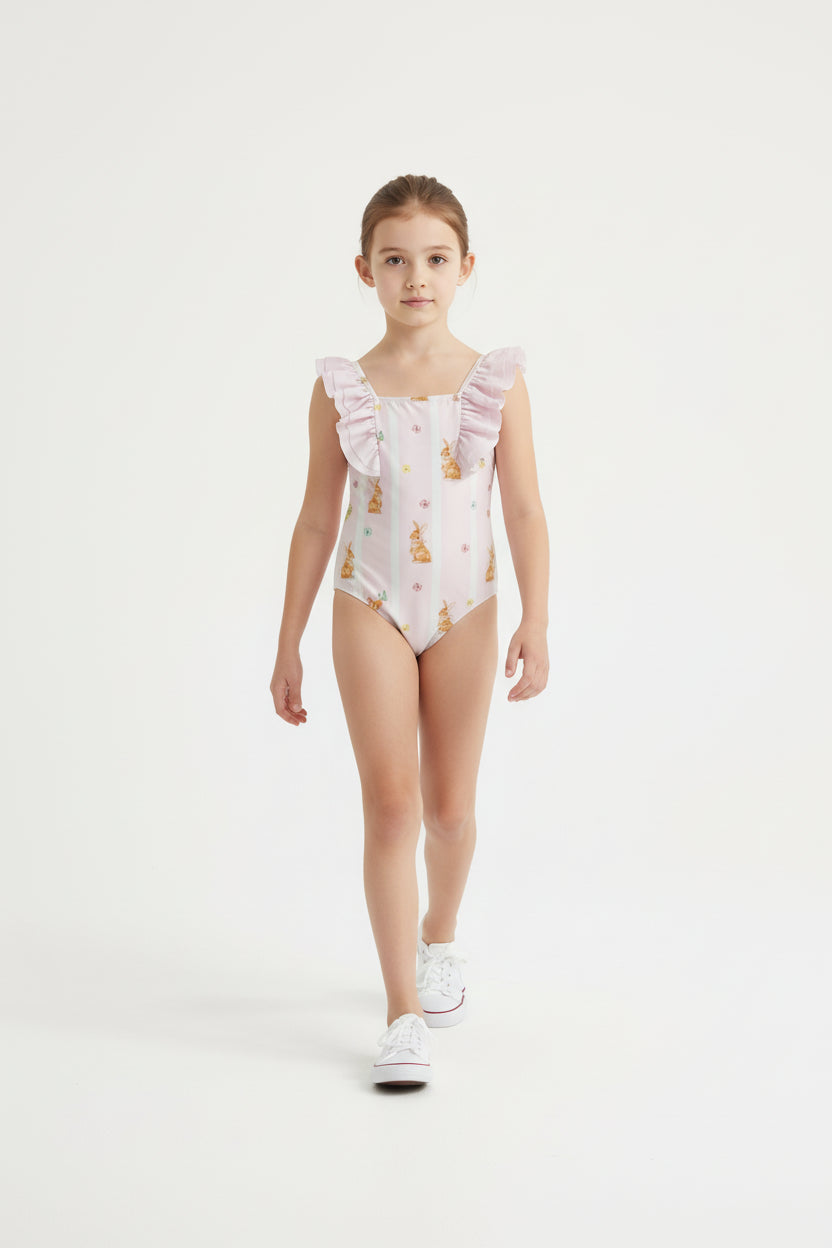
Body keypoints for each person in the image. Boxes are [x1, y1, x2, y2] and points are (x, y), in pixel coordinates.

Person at [270, 174, 549, 1087]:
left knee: (448, 812)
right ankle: (401, 1014)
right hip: (370, 602)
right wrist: (288, 640)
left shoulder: (494, 384)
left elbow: (525, 509)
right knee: (390, 809)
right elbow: (317, 519)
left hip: (468, 608)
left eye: (434, 258)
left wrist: (537, 619)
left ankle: (440, 937)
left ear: (465, 267)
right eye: (395, 259)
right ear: (366, 270)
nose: (415, 277)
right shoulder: (343, 390)